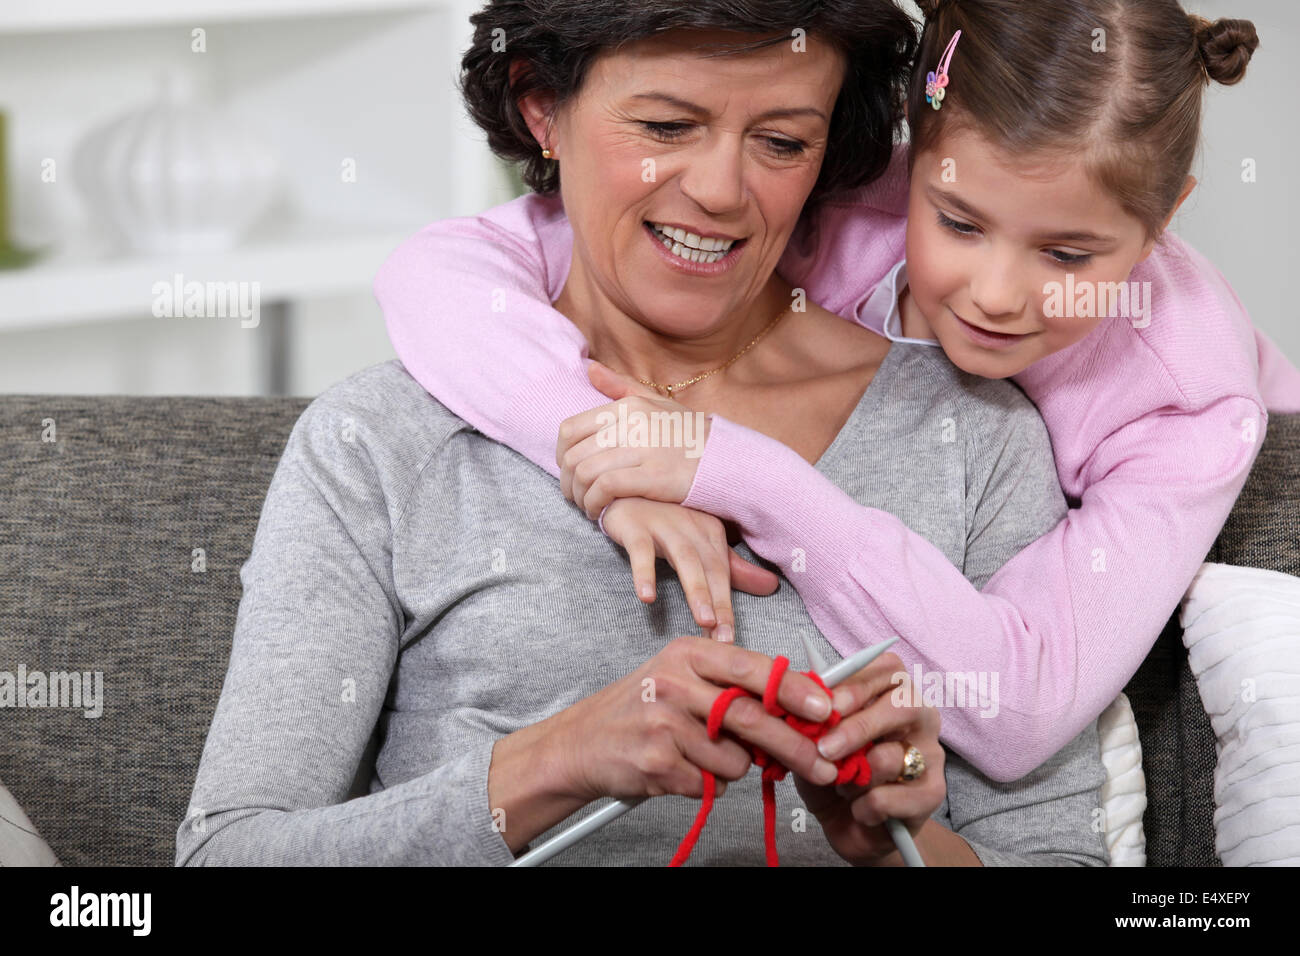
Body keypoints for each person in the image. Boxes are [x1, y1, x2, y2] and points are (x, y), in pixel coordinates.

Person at [177, 0, 1107, 866]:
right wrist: (556, 762)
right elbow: (226, 852)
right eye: (665, 128)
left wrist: (893, 846)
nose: (719, 190)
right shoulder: (382, 442)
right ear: (542, 107)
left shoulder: (968, 433)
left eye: (782, 142)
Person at [376, 0, 1300, 782]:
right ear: (915, 151)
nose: (996, 293)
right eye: (959, 223)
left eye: (1066, 255)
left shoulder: (1190, 408)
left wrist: (729, 470)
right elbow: (440, 269)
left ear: (1166, 218)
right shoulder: (838, 193)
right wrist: (606, 441)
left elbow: (1018, 707)